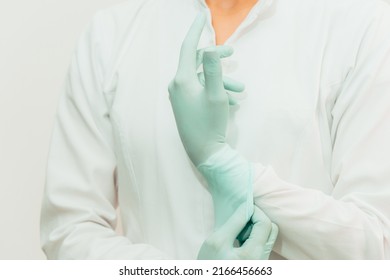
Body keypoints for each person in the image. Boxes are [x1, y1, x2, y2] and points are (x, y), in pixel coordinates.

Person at [41, 0, 390, 259]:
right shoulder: (111, 34)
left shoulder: (360, 27)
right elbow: (67, 229)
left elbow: (376, 242)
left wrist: (227, 167)